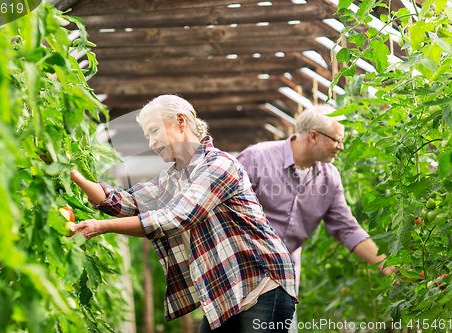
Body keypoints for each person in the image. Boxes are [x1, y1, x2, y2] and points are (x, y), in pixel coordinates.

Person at [69, 95, 298, 332]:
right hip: (226, 291)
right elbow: (124, 202)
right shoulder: (172, 178)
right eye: (147, 136)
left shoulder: (218, 165)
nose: (151, 143)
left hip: (262, 283)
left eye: (154, 131)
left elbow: (175, 218)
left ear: (180, 121)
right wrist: (71, 172)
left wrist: (100, 227)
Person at [236, 105, 396, 329]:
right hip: (239, 275)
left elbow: (347, 229)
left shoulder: (329, 178)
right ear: (313, 136)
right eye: (337, 140)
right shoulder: (256, 159)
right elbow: (222, 211)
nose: (341, 147)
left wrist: (386, 265)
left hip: (282, 282)